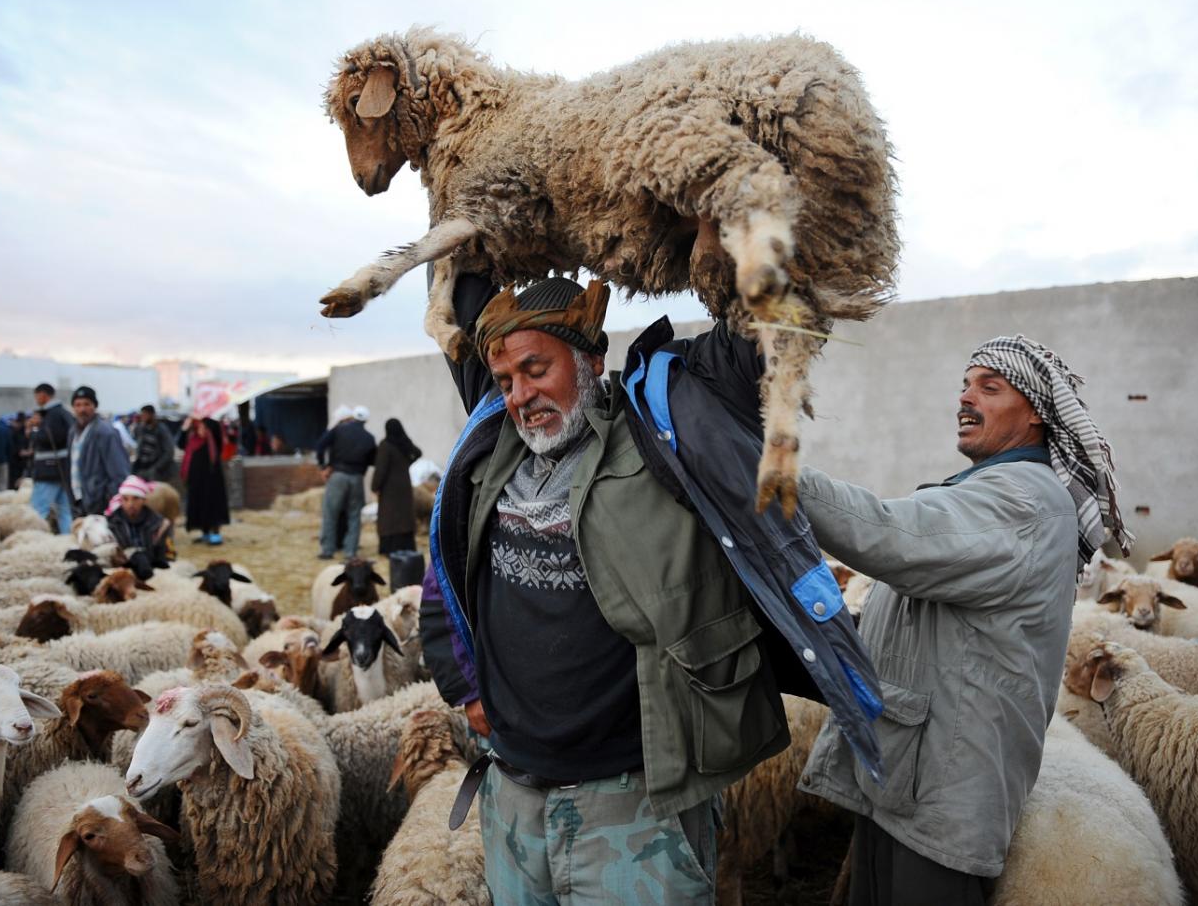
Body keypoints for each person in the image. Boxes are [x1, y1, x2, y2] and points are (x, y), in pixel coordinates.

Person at [419, 275, 882, 904]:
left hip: (635, 803)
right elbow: (461, 268)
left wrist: (706, 217)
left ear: (589, 357)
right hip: (515, 797)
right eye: (505, 381)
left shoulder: (666, 424)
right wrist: (466, 686)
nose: (520, 396)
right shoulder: (498, 440)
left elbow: (778, 305)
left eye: (536, 369)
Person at [796, 335, 1133, 906]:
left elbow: (888, 534)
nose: (966, 398)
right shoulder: (991, 489)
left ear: (1035, 415)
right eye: (965, 384)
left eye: (989, 387)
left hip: (946, 793)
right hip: (910, 773)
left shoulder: (1022, 502)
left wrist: (773, 473)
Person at [315, 404, 377, 560]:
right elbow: (373, 460)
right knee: (355, 515)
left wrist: (323, 466)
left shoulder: (339, 430)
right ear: (366, 420)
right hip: (357, 478)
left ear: (352, 417)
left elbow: (320, 446)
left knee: (330, 513)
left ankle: (327, 550)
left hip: (338, 476)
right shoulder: (369, 438)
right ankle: (350, 552)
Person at [67, 386, 131, 518]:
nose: (82, 409)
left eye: (86, 404)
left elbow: (120, 473)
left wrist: (108, 499)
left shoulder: (106, 432)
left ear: (94, 406)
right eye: (78, 405)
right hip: (79, 499)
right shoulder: (73, 432)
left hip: (100, 503)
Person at [29, 383, 75, 532]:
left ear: (43, 395)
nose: (36, 399)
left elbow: (48, 438)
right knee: (65, 510)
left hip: (48, 470)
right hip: (63, 469)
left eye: (37, 396)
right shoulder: (63, 413)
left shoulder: (52, 414)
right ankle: (67, 540)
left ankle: (34, 542)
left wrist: (34, 429)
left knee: (38, 510)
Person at [372, 417, 421, 555]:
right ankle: (406, 545)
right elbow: (417, 453)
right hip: (404, 485)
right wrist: (407, 463)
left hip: (389, 487)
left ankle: (390, 548)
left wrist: (375, 486)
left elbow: (380, 469)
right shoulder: (405, 443)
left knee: (389, 517)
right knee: (404, 516)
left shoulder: (385, 446)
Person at [105, 474, 175, 567]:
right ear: (121, 500)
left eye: (136, 498)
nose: (130, 504)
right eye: (125, 499)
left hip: (154, 571)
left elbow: (169, 555)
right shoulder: (111, 524)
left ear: (144, 500)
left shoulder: (160, 524)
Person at [180, 415, 229, 545]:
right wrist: (185, 427)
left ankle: (215, 534)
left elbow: (219, 444)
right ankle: (205, 532)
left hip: (212, 476)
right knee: (199, 504)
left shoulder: (213, 426)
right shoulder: (191, 432)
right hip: (196, 478)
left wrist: (207, 429)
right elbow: (180, 444)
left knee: (213, 504)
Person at [131, 405, 176, 482]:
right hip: (142, 467)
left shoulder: (161, 429)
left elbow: (169, 451)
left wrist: (157, 467)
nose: (143, 417)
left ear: (152, 415)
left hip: (155, 470)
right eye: (142, 414)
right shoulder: (141, 428)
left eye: (145, 414)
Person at [7, 412, 28, 489]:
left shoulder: (22, 432)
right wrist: (19, 451)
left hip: (19, 462)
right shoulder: (13, 432)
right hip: (16, 461)